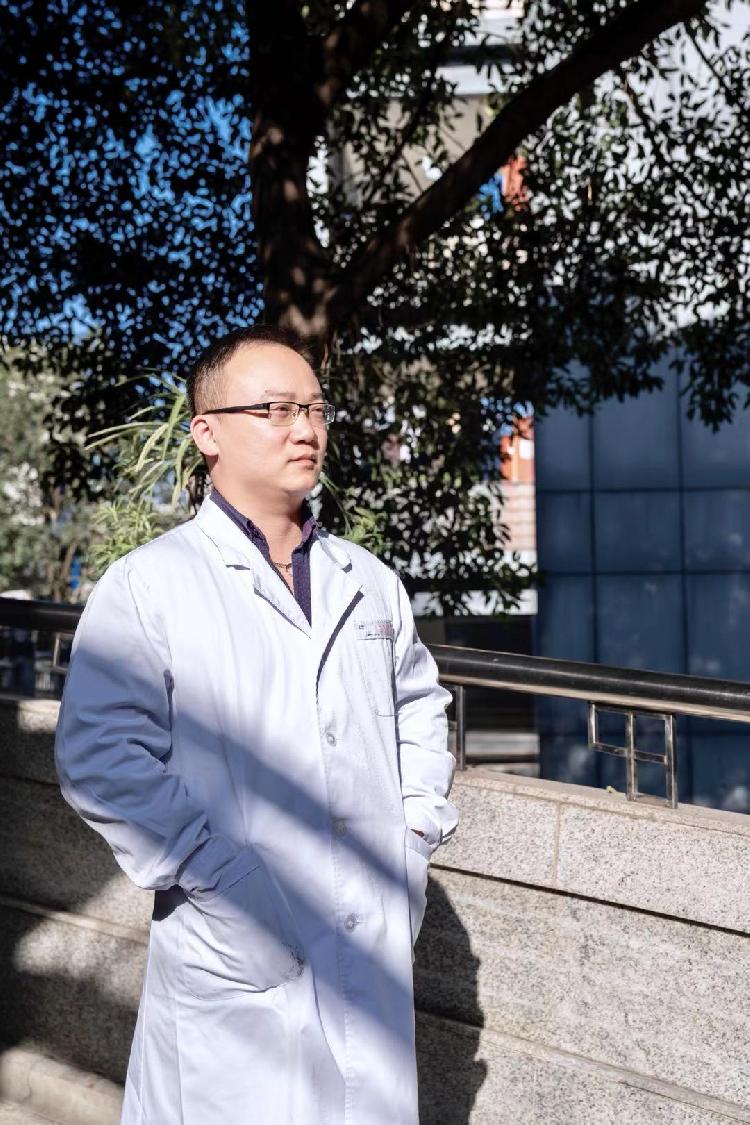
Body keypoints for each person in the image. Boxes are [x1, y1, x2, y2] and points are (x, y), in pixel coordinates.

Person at [54, 325, 458, 1125]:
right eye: (275, 409)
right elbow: (100, 755)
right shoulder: (150, 584)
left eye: (315, 408)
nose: (305, 428)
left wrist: (413, 838)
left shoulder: (369, 582)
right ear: (207, 432)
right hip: (229, 948)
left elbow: (420, 708)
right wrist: (223, 879)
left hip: (367, 934)